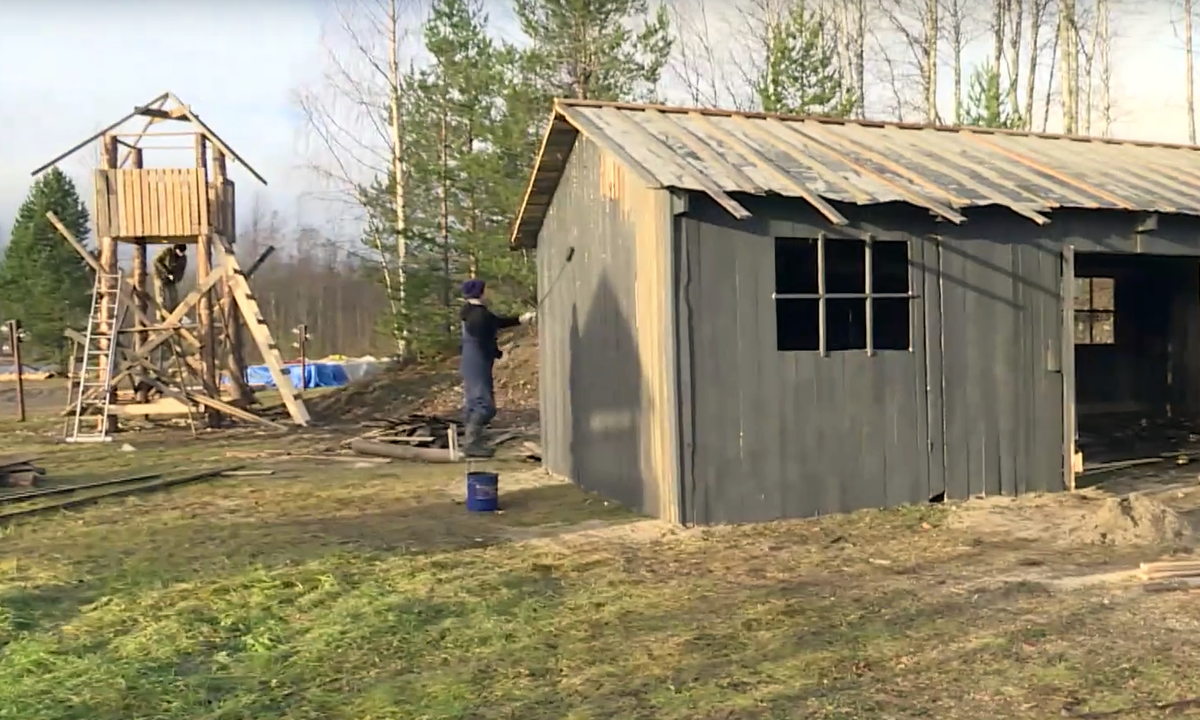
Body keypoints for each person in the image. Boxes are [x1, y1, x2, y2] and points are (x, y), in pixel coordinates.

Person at [459, 278, 535, 457]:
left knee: (473, 402)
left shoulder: (471, 311)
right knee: (483, 405)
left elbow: (496, 322)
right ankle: (471, 444)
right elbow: (485, 337)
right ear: (481, 292)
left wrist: (520, 319)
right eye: (486, 290)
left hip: (470, 360)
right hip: (478, 359)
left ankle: (472, 442)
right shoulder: (479, 315)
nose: (489, 293)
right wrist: (498, 353)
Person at [152, 243, 188, 318]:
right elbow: (156, 261)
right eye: (180, 251)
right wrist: (167, 272)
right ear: (176, 249)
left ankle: (175, 316)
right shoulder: (167, 252)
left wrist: (176, 278)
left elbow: (181, 270)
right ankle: (161, 317)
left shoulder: (183, 258)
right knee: (161, 298)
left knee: (174, 297)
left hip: (171, 280)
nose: (181, 254)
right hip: (160, 276)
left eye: (183, 252)